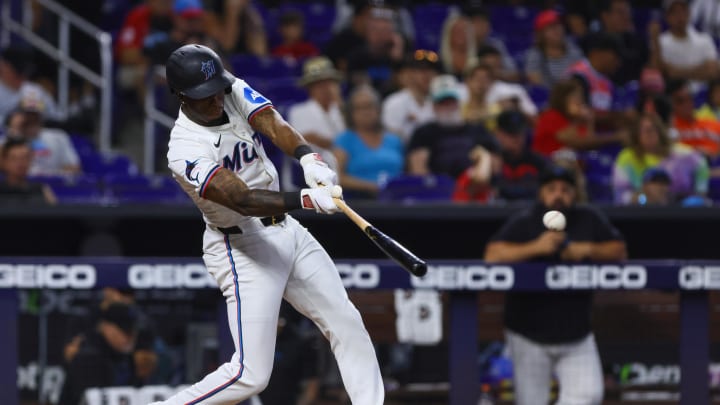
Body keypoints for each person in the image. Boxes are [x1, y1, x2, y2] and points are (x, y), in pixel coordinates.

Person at [154, 44, 383, 404]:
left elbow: (271, 122)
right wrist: (304, 198)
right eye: (205, 96)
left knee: (346, 321)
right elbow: (241, 200)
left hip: (287, 230)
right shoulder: (184, 149)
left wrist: (309, 159)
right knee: (250, 375)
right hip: (242, 247)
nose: (216, 100)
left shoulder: (227, 89)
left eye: (217, 91)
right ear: (181, 96)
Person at [484, 165, 627, 405]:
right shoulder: (526, 221)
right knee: (531, 401)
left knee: (588, 396)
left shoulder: (587, 218)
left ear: (574, 194)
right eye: (551, 189)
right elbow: (492, 254)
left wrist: (586, 249)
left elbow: (619, 250)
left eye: (565, 189)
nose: (558, 195)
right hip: (527, 334)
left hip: (576, 335)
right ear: (541, 193)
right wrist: (535, 248)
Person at [407, 74, 499, 180]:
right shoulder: (423, 133)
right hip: (439, 189)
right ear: (434, 106)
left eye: (451, 101)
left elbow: (495, 165)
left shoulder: (477, 130)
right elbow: (418, 171)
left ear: (459, 103)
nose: (448, 107)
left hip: (473, 187)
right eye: (443, 103)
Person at [613, 113, 709, 204]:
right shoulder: (627, 158)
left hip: (679, 207)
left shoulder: (681, 154)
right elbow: (620, 194)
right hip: (641, 210)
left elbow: (701, 165)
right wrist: (644, 199)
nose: (649, 134)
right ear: (636, 134)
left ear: (660, 132)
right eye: (644, 130)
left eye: (652, 130)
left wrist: (700, 193)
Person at [58, 302, 141, 405]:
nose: (131, 337)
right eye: (125, 330)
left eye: (134, 330)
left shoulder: (126, 356)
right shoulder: (88, 358)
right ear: (105, 327)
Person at [333, 84, 404, 199]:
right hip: (359, 201)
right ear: (351, 113)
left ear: (378, 110)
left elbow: (406, 174)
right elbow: (337, 177)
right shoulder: (344, 139)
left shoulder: (394, 139)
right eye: (359, 108)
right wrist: (373, 187)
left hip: (396, 200)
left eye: (369, 106)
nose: (365, 112)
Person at [532, 79, 624, 157]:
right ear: (562, 99)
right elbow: (577, 142)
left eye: (580, 97)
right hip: (548, 163)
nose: (579, 102)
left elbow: (589, 142)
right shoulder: (551, 116)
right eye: (575, 97)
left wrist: (589, 121)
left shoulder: (575, 119)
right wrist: (615, 137)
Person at [287, 56, 346, 169]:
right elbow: (304, 142)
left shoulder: (342, 109)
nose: (325, 88)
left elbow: (354, 138)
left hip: (344, 164)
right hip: (313, 167)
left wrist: (339, 103)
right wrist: (341, 145)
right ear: (310, 88)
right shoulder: (298, 111)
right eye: (319, 84)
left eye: (329, 83)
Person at [653, 0, 719, 94]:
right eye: (674, 12)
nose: (680, 16)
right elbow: (657, 74)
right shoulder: (661, 43)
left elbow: (713, 71)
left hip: (704, 97)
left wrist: (675, 72)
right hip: (674, 97)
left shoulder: (704, 40)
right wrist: (700, 70)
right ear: (667, 17)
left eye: (683, 11)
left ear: (689, 13)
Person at [3, 97, 81, 176]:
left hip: (53, 183)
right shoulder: (8, 139)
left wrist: (48, 176)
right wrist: (14, 132)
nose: (31, 118)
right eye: (27, 115)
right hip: (20, 185)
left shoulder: (58, 137)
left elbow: (74, 167)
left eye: (35, 115)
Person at [381, 50, 439, 143]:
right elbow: (390, 138)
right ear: (410, 74)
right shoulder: (394, 102)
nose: (426, 75)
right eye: (421, 70)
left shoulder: (442, 102)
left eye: (430, 70)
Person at [492, 110, 549, 202]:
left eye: (520, 133)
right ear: (498, 134)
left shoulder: (537, 161)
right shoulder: (490, 161)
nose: (517, 138)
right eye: (511, 134)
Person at [524, 9, 584, 88]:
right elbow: (536, 82)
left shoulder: (573, 50)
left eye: (559, 25)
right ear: (541, 34)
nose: (557, 30)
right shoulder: (535, 55)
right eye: (551, 27)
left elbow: (583, 77)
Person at [669, 79, 720, 157]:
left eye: (689, 98)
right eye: (680, 101)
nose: (687, 103)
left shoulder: (713, 123)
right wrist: (695, 151)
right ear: (672, 104)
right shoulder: (672, 128)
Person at [0, 137, 56, 205]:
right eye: (14, 158)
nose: (21, 163)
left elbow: (55, 212)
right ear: (4, 161)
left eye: (25, 158)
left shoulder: (41, 190)